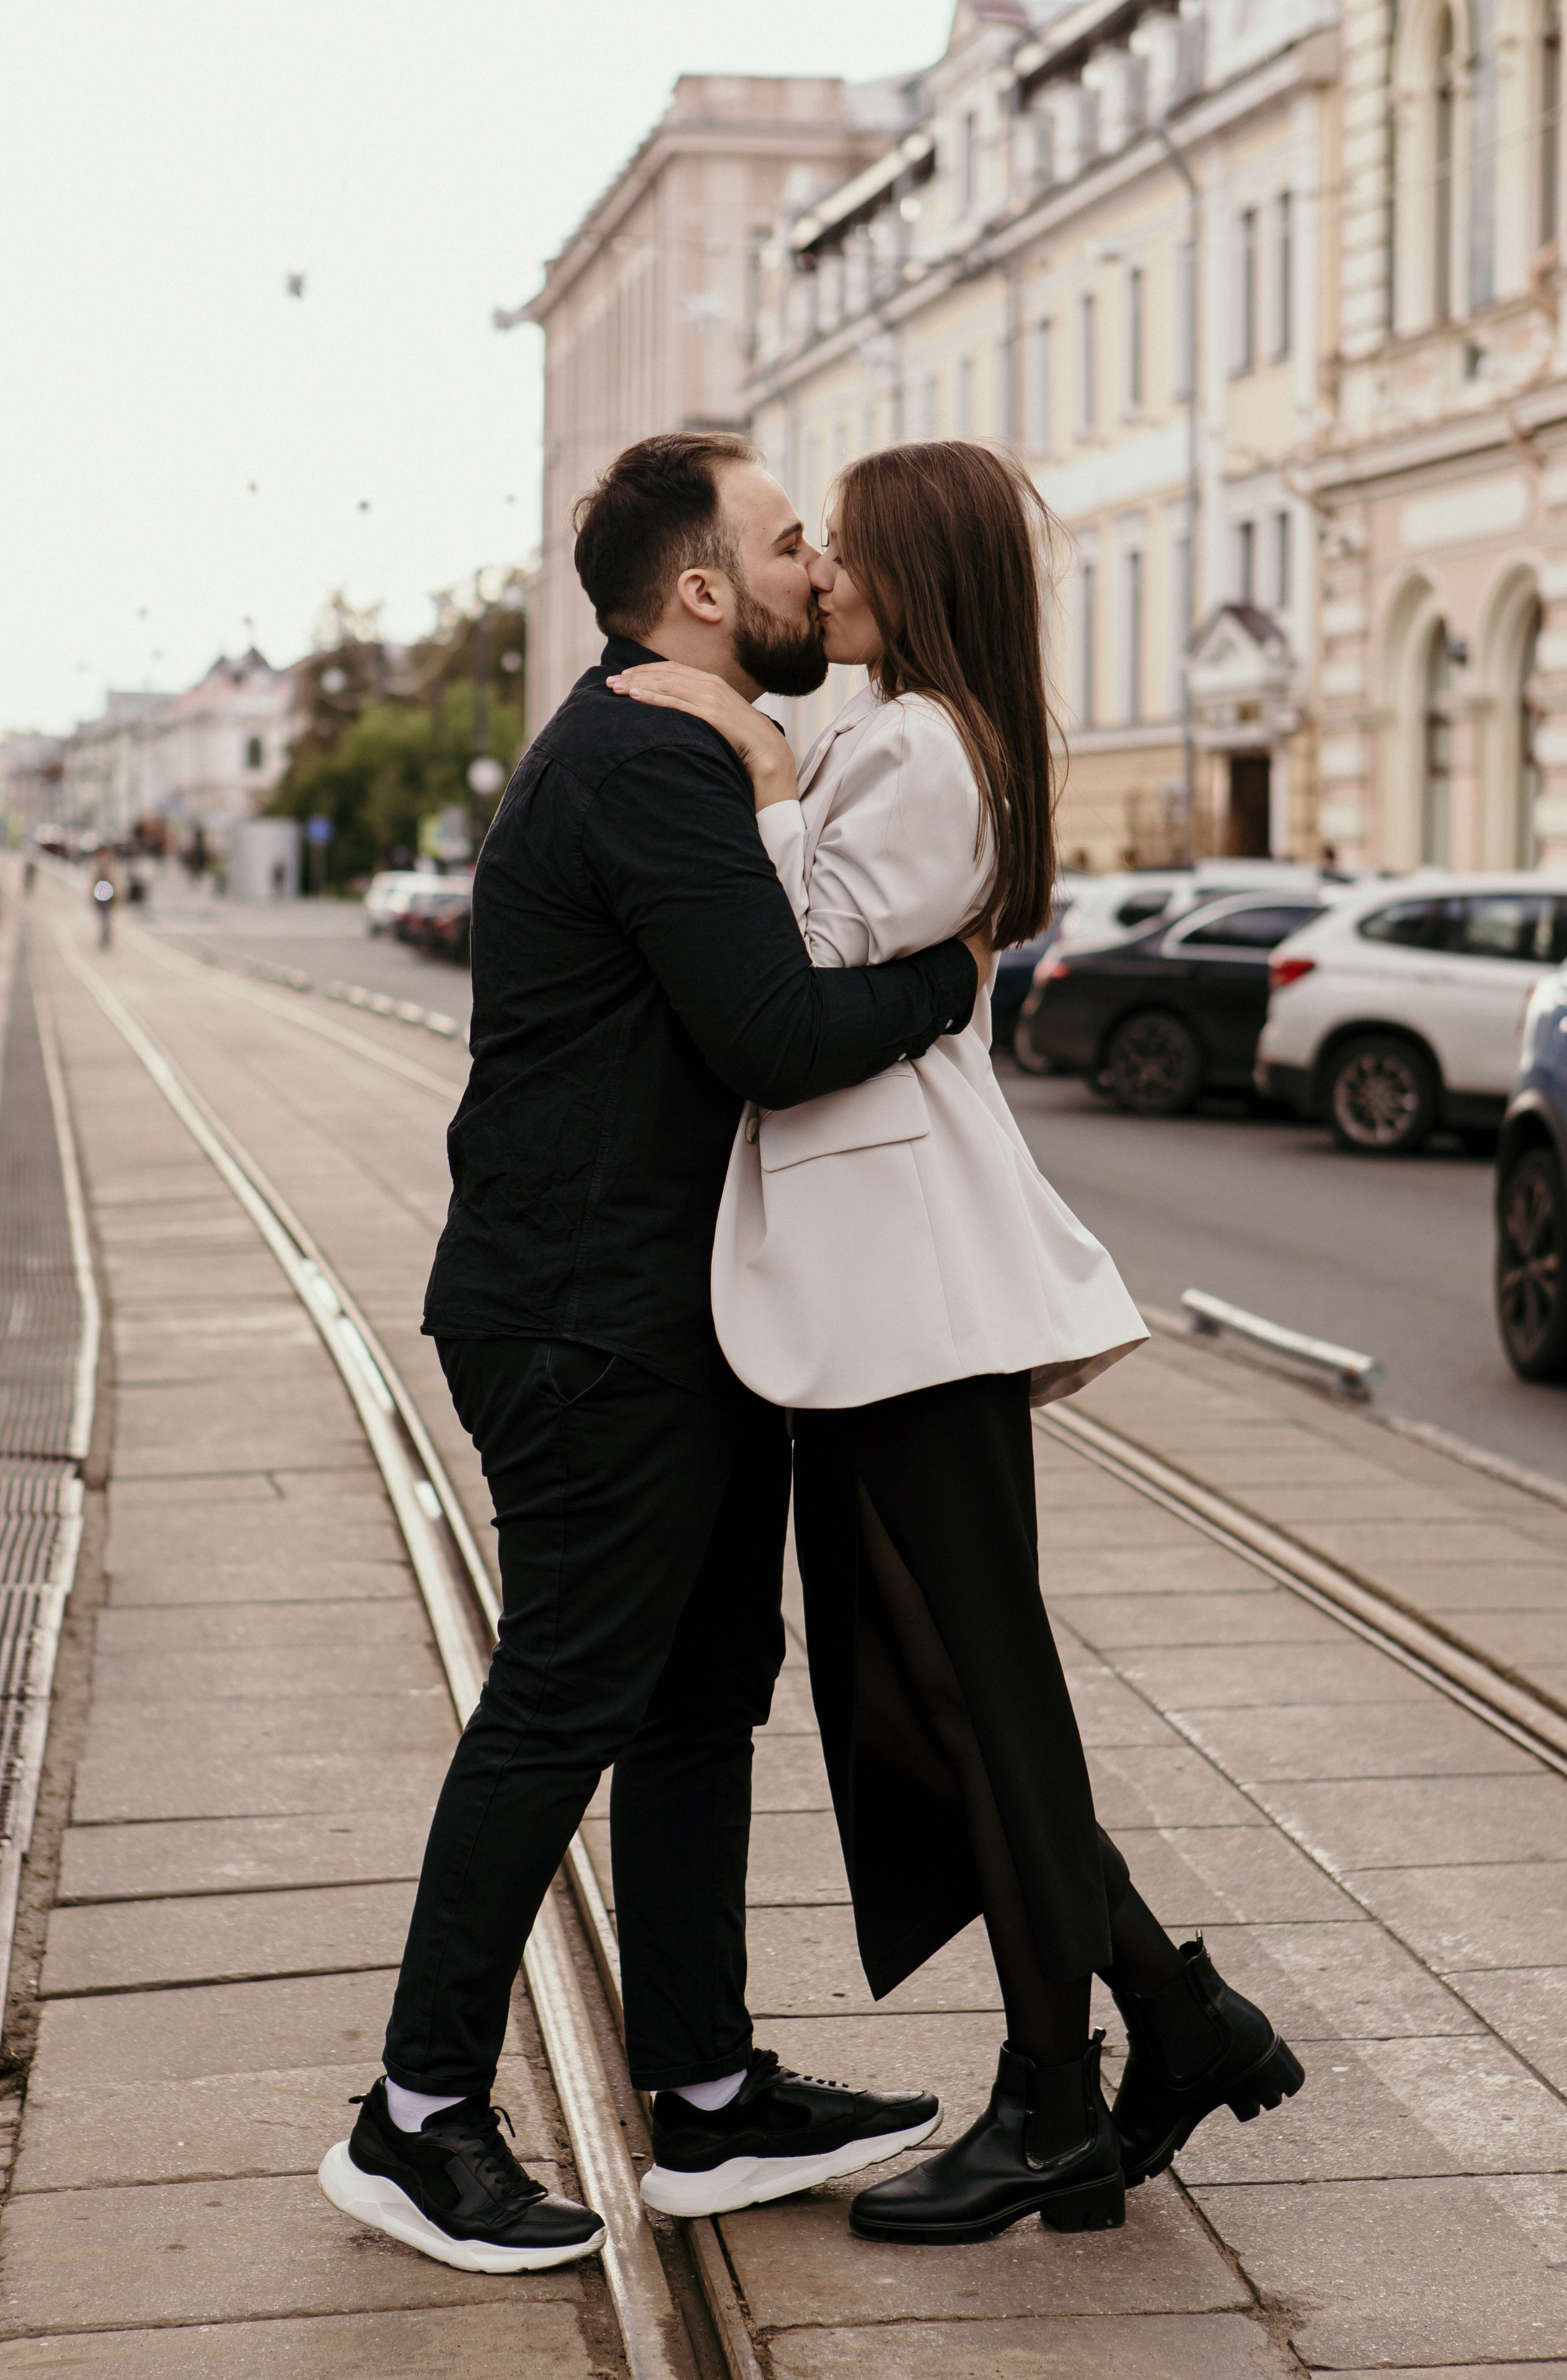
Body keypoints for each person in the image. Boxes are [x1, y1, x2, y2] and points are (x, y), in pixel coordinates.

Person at [608, 440, 1304, 2247]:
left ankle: (1055, 2100)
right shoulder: (910, 733)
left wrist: (758, 771)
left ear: (909, 572)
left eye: (839, 546)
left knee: (985, 1697)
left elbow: (806, 960)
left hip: (908, 1297)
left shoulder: (920, 747)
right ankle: (1163, 2019)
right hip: (868, 1304)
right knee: (943, 1695)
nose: (816, 571)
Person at [319, 432, 986, 2275]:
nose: (817, 574)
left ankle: (701, 2099)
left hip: (662, 1314)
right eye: (788, 547)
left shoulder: (673, 748)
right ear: (702, 592)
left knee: (702, 1692)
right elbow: (776, 1027)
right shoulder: (647, 756)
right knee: (570, 1695)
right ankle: (417, 2117)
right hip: (584, 1317)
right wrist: (952, 981)